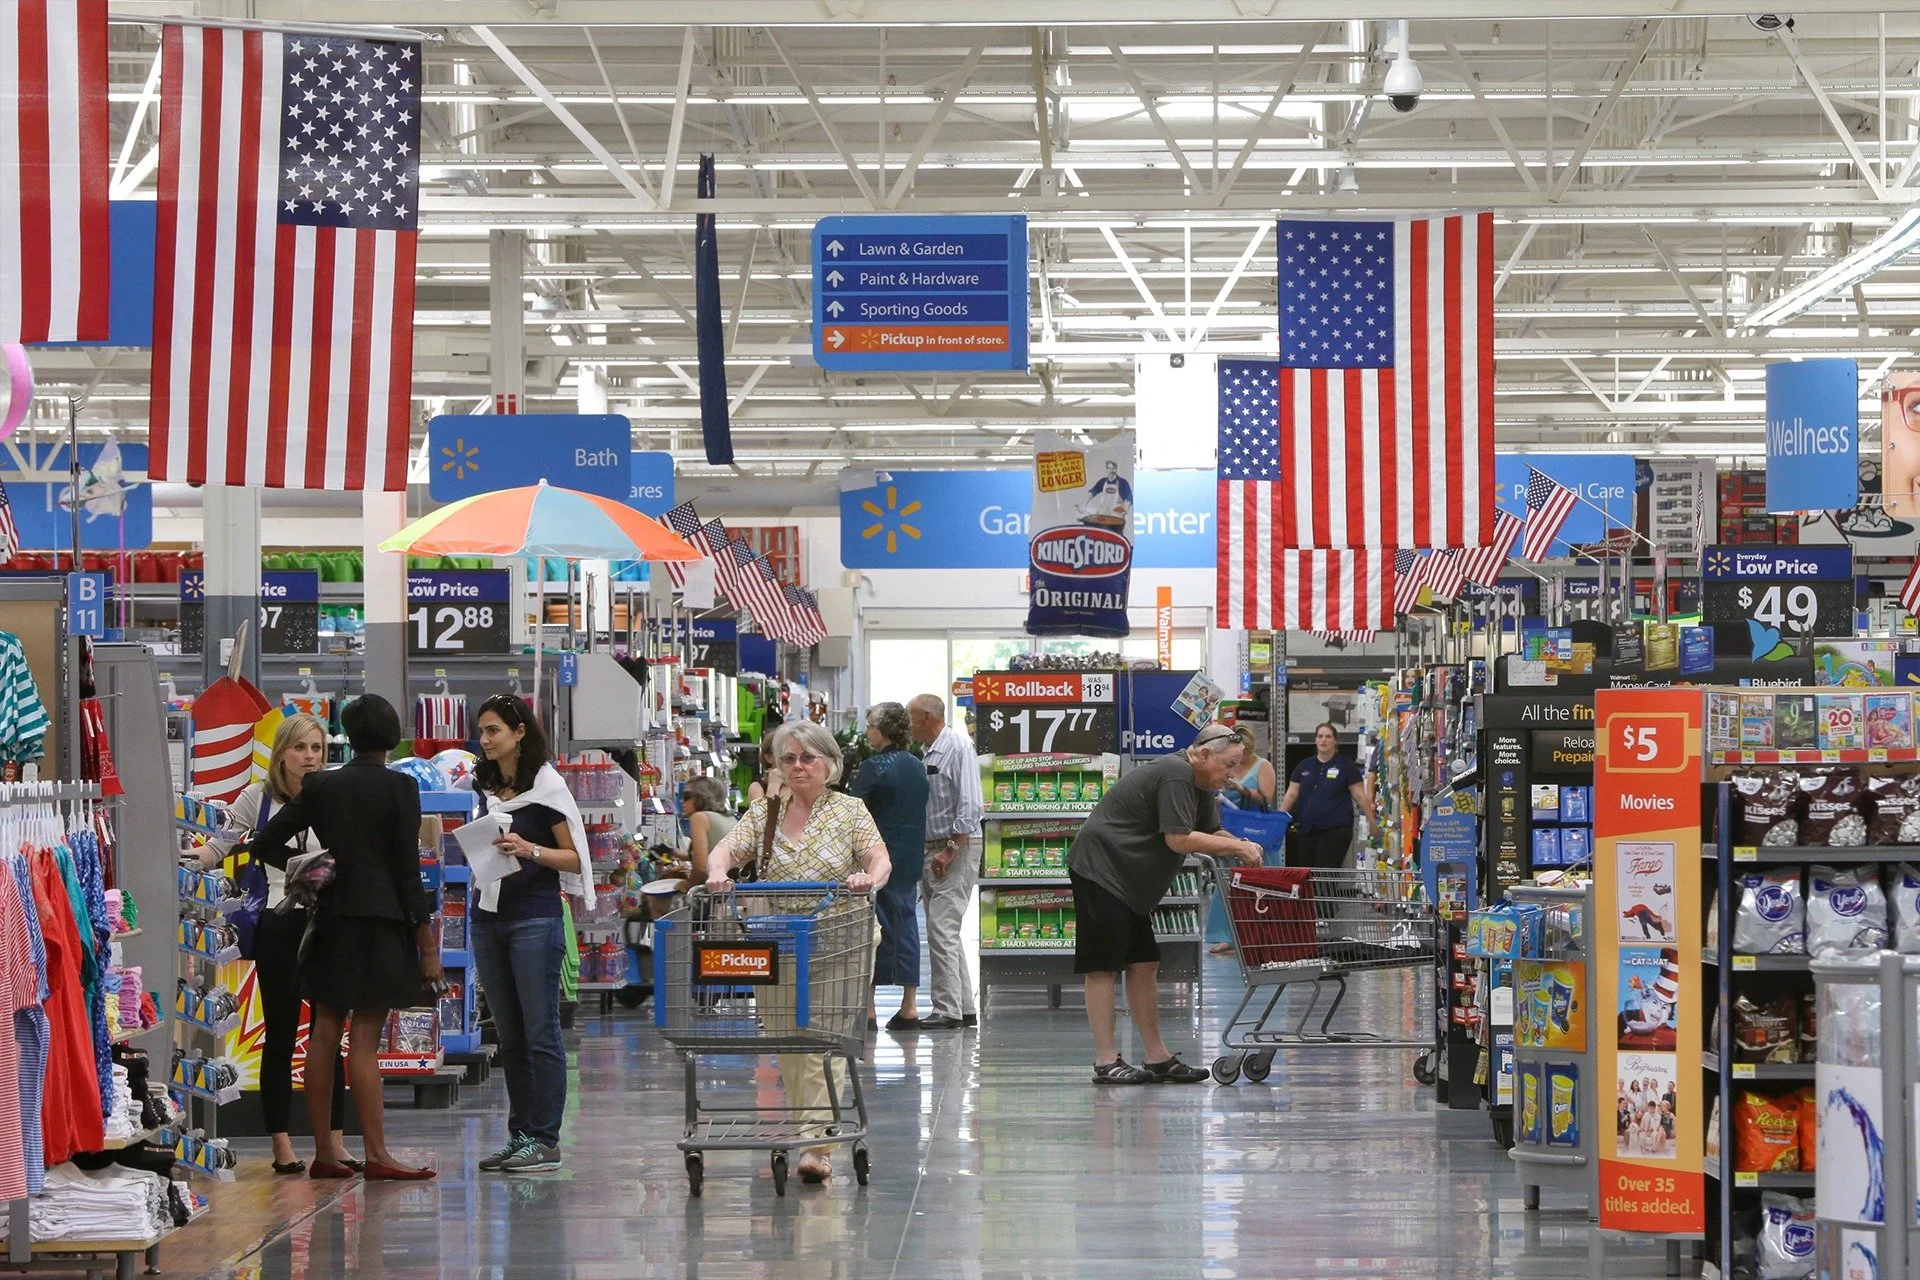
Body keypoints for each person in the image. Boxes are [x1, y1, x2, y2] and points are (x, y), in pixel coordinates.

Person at [253, 694, 439, 1181]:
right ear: (392, 736)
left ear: (347, 737)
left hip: (330, 920)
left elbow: (266, 841)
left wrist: (311, 876)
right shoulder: (401, 787)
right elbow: (406, 871)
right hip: (382, 923)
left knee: (325, 1029)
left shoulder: (320, 787)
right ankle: (376, 1153)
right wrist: (427, 943)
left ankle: (324, 1154)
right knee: (365, 1038)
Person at [706, 720, 891, 1185]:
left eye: (807, 757)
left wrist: (868, 878)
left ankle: (816, 1143)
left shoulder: (850, 811)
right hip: (780, 939)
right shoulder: (766, 811)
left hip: (841, 937)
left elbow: (879, 858)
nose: (798, 766)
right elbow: (727, 849)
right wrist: (717, 871)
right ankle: (811, 1126)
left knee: (825, 1042)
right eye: (788, 758)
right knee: (787, 1041)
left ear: (829, 763)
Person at [1067, 723, 1264, 1085]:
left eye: (1236, 766)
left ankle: (1157, 1058)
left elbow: (1210, 831)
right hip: (1103, 868)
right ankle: (1106, 1061)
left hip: (1130, 881)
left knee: (1143, 963)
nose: (1232, 774)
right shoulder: (1176, 773)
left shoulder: (1203, 784)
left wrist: (1239, 843)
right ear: (1204, 754)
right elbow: (1178, 839)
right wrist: (1236, 847)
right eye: (1228, 765)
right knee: (1102, 966)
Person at [199, 713, 350, 1175]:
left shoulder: (334, 795)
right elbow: (218, 845)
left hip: (328, 920)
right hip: (278, 923)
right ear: (281, 752)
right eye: (301, 748)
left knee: (330, 1034)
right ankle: (282, 1143)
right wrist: (187, 858)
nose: (310, 757)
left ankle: (336, 1143)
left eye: (317, 749)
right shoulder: (256, 798)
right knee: (282, 1033)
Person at [469, 693, 592, 1175]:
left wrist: (528, 848)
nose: (485, 740)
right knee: (510, 1035)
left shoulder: (546, 787)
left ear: (520, 733)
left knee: (540, 1031)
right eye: (481, 731)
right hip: (488, 913)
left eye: (494, 730)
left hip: (534, 918)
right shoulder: (483, 782)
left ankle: (545, 1138)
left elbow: (575, 857)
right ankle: (521, 1135)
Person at [849, 702, 929, 1031]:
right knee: (907, 926)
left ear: (882, 731)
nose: (867, 731)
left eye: (870, 726)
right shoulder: (917, 765)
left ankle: (868, 1009)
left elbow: (853, 808)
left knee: (870, 929)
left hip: (876, 858)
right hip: (910, 856)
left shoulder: (874, 767)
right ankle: (909, 1005)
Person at [908, 693, 984, 1030]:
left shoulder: (957, 747)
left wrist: (952, 848)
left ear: (926, 716)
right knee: (945, 931)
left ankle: (946, 1010)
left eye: (910, 717)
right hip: (935, 849)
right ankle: (963, 1007)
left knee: (940, 927)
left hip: (956, 848)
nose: (907, 725)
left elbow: (971, 803)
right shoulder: (927, 752)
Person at [1277, 723, 1379, 872]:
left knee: (1326, 873)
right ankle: (1311, 896)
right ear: (1316, 740)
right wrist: (1279, 821)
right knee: (1306, 873)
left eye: (1328, 737)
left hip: (1336, 830)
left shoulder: (1346, 766)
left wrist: (1371, 821)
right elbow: (1291, 795)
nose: (1323, 740)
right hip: (1307, 829)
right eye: (1320, 736)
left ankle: (1322, 895)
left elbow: (1359, 795)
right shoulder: (1304, 766)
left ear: (1335, 741)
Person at [678, 776, 737, 889]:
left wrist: (688, 884)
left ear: (702, 797)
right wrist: (674, 853)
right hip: (734, 888)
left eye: (687, 796)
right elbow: (711, 851)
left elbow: (701, 866)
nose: (682, 801)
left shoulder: (699, 817)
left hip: (716, 891)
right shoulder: (729, 818)